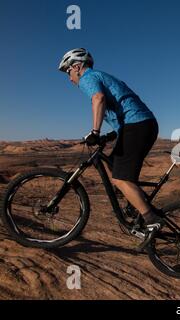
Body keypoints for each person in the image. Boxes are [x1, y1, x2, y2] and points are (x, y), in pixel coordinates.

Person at [58, 48, 163, 236]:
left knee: (120, 178)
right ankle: (136, 205)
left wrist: (95, 132)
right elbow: (121, 108)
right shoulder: (100, 76)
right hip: (140, 125)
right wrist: (110, 136)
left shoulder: (87, 78)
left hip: (137, 125)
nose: (69, 77)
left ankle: (152, 220)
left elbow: (98, 99)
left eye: (68, 71)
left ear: (77, 66)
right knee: (114, 167)